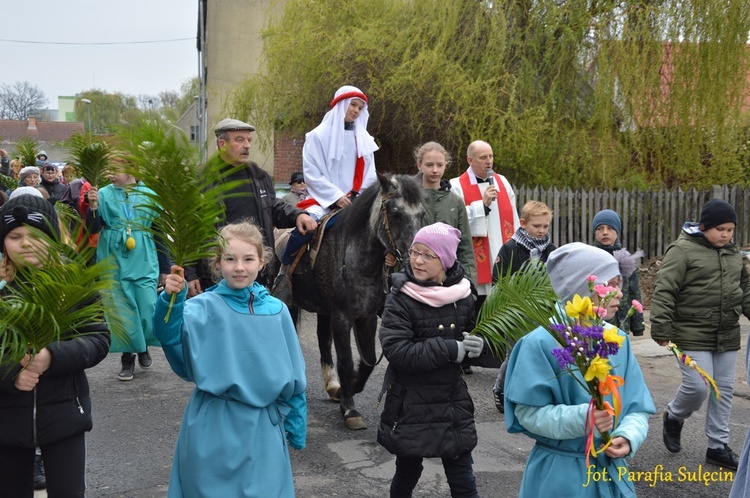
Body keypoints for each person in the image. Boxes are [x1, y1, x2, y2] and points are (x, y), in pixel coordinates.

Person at [153, 222, 307, 497]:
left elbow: (295, 373)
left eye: (248, 259)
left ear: (261, 262)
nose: (239, 267)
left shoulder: (277, 311)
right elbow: (170, 337)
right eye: (230, 259)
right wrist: (170, 301)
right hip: (213, 425)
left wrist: (295, 421)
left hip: (262, 428)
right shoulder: (201, 308)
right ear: (218, 262)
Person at [504, 243, 655, 497]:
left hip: (609, 472)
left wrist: (628, 436)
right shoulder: (540, 343)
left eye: (619, 284)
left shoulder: (616, 339)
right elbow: (528, 414)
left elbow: (636, 406)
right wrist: (584, 419)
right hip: (560, 476)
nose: (619, 293)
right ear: (582, 289)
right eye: (611, 284)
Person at [0, 193, 110, 497]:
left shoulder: (73, 286)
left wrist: (52, 356)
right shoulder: (2, 293)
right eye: (14, 236)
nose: (25, 243)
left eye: (35, 234)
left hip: (64, 417)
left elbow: (98, 339)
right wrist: (11, 373)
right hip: (7, 420)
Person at [378, 222, 485, 498]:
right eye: (415, 252)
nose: (418, 260)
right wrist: (451, 349)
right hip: (412, 403)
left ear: (446, 260)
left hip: (452, 402)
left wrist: (480, 346)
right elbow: (398, 351)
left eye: (428, 255)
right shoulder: (400, 298)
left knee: (463, 478)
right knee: (407, 472)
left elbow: (482, 338)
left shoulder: (463, 295)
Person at [651, 198, 750, 470]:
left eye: (730, 230)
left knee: (724, 390)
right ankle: (674, 414)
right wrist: (661, 327)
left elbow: (745, 291)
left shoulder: (733, 255)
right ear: (704, 226)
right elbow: (665, 290)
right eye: (720, 229)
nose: (726, 235)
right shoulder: (682, 250)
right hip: (690, 332)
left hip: (726, 333)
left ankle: (717, 446)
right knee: (698, 387)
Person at [184, 118, 316, 295]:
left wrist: (298, 215)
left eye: (248, 140)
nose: (247, 145)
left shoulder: (258, 176)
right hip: (215, 276)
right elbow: (189, 229)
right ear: (222, 144)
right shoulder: (202, 180)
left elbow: (273, 206)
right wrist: (190, 273)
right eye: (239, 139)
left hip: (254, 274)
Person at [274, 85, 378, 296]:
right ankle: (284, 275)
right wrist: (336, 196)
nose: (356, 111)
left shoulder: (365, 139)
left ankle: (385, 284)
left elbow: (371, 174)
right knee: (306, 229)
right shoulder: (317, 136)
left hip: (356, 201)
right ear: (340, 105)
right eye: (353, 105)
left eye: (360, 107)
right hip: (322, 201)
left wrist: (359, 197)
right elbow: (312, 173)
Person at [85, 155, 167, 381]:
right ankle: (127, 357)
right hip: (112, 257)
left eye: (115, 169)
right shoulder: (102, 194)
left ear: (131, 169)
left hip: (145, 257)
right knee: (121, 308)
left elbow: (159, 233)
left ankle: (142, 346)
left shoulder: (149, 195)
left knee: (146, 305)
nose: (110, 174)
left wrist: (165, 267)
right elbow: (92, 228)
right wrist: (92, 207)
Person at [491, 200, 556, 413]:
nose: (541, 231)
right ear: (523, 223)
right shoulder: (510, 249)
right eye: (536, 226)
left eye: (545, 226)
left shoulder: (551, 251)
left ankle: (532, 393)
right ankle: (501, 388)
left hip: (544, 313)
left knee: (541, 354)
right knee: (515, 355)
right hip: (516, 314)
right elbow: (498, 281)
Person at [449, 140, 519, 303]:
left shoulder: (502, 182)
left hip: (503, 256)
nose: (489, 161)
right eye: (483, 158)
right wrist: (482, 205)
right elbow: (456, 223)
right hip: (477, 262)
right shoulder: (456, 186)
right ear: (470, 160)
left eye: (491, 156)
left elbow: (514, 218)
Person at [414, 141, 476, 283]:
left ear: (445, 165)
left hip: (448, 278)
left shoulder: (456, 202)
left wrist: (469, 283)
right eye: (429, 165)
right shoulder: (409, 200)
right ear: (420, 165)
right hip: (414, 276)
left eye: (440, 165)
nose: (435, 170)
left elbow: (465, 246)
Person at [591, 209, 645, 336]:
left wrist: (638, 325)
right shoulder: (590, 257)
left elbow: (634, 292)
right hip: (597, 322)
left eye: (610, 228)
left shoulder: (625, 260)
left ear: (617, 232)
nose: (605, 232)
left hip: (621, 323)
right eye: (600, 228)